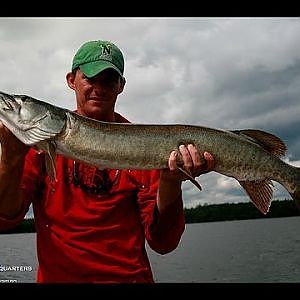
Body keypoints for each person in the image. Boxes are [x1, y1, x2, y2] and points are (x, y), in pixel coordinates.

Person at [0, 40, 214, 283]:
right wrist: (10, 157)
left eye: (108, 81)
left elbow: (163, 243)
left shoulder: (143, 148)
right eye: (90, 78)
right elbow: (4, 219)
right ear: (71, 80)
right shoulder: (37, 149)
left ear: (121, 86)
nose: (98, 88)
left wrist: (171, 182)